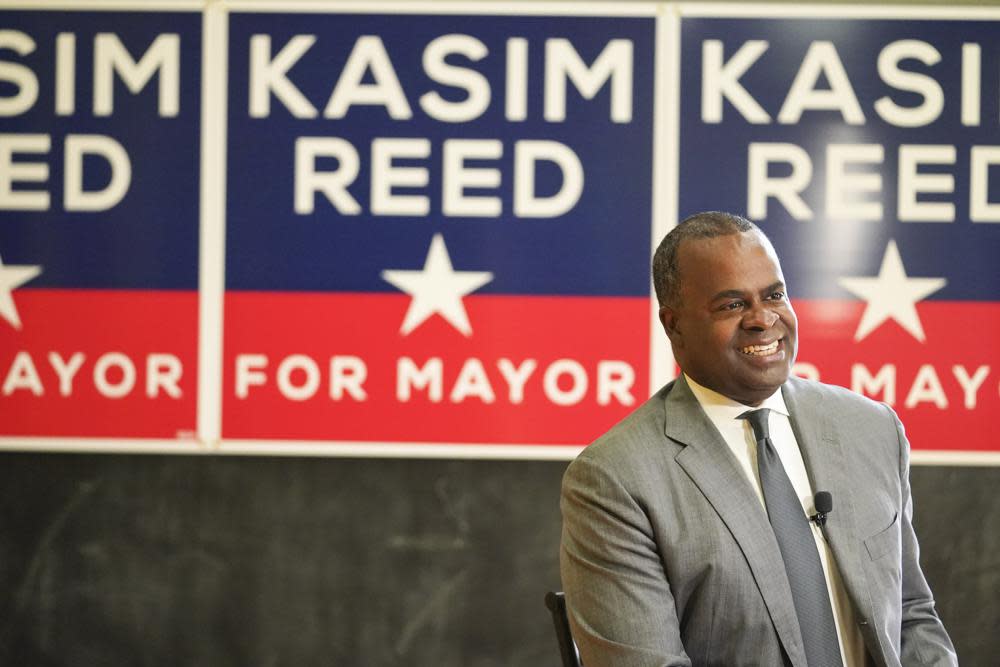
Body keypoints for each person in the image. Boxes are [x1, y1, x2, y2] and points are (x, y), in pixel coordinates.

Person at [559, 212, 957, 666]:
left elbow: (910, 615)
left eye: (774, 295)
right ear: (674, 326)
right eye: (731, 305)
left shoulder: (871, 428)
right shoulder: (616, 478)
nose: (763, 319)